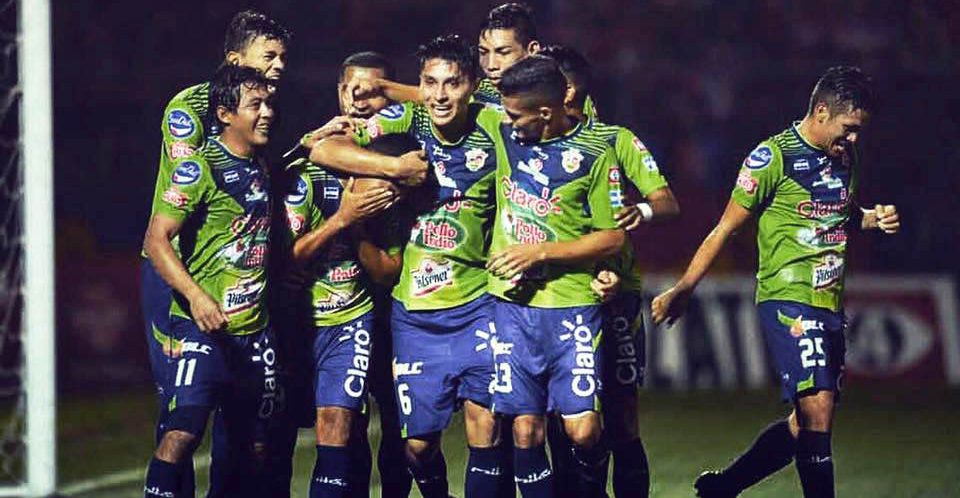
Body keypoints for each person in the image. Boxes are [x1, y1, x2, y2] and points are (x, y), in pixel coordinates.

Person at [651, 66, 900, 498]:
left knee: (805, 423)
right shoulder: (772, 158)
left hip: (829, 302)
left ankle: (725, 487)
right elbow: (724, 229)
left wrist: (870, 219)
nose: (854, 139)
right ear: (821, 112)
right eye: (849, 128)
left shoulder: (845, 157)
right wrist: (684, 288)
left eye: (859, 131)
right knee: (817, 408)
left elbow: (838, 214)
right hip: (788, 299)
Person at [312, 34, 512, 498]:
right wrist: (394, 169)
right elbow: (323, 150)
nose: (439, 95)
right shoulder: (407, 119)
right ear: (419, 86)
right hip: (416, 316)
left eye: (452, 83)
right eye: (430, 83)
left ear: (471, 86)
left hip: (479, 305)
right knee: (418, 448)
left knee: (486, 427)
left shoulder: (495, 127)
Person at [139, 10, 290, 497]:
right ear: (235, 60)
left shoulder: (263, 114)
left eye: (283, 58)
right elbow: (187, 191)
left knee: (244, 421)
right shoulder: (189, 110)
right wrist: (197, 292)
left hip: (239, 282)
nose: (279, 66)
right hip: (178, 271)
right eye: (269, 56)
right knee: (182, 414)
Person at [269, 51, 414, 498]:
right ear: (339, 93)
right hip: (311, 320)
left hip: (385, 314)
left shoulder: (407, 161)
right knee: (297, 430)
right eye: (353, 89)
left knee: (396, 425)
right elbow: (283, 255)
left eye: (374, 91)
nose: (361, 99)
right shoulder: (312, 162)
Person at [539, 43, 680, 498]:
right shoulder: (529, 140)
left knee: (622, 417)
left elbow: (667, 202)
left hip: (615, 296)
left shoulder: (615, 140)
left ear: (567, 90)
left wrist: (643, 210)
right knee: (561, 419)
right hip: (555, 294)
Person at [486, 55, 627, 498]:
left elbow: (613, 237)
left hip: (573, 307)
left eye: (515, 116)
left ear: (545, 112)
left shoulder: (595, 154)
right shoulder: (501, 130)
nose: (507, 122)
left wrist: (540, 252)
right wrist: (384, 92)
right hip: (513, 309)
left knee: (583, 430)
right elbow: (442, 102)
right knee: (525, 430)